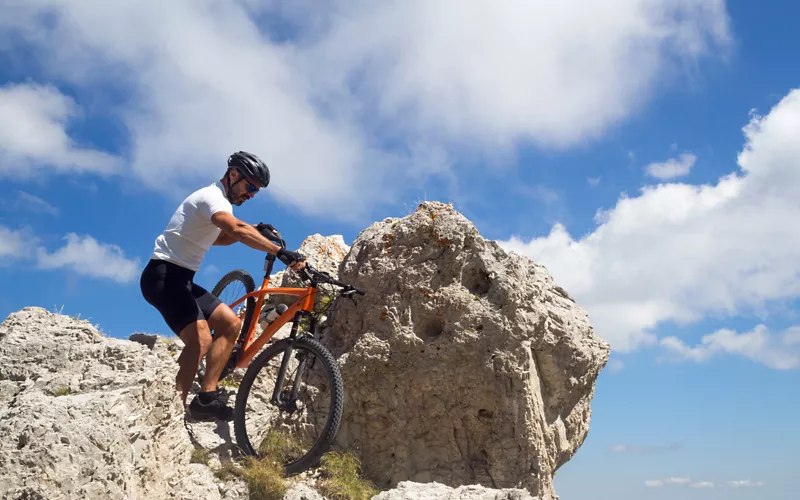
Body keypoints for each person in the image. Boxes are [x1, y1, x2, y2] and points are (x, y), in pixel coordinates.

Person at [139, 151, 306, 421]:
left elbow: (222, 238)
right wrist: (279, 251)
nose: (251, 194)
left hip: (181, 279)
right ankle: (172, 410)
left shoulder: (217, 205)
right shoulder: (211, 197)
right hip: (162, 277)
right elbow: (235, 229)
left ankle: (206, 397)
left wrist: (254, 229)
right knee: (201, 340)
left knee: (230, 324)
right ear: (233, 175)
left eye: (256, 191)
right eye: (250, 186)